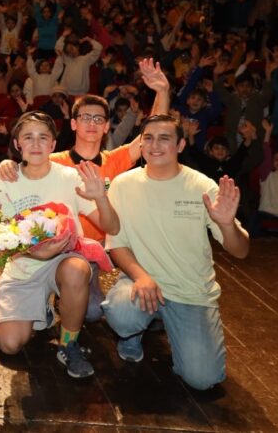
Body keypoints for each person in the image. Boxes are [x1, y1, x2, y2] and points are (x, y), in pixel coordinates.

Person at [101, 114, 249, 391]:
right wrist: (141, 276)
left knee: (203, 380)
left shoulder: (202, 187)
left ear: (181, 145)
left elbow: (240, 251)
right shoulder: (123, 184)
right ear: (141, 144)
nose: (155, 145)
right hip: (142, 282)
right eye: (148, 138)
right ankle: (133, 333)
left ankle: (172, 326)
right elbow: (116, 244)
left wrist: (227, 224)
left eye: (164, 138)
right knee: (122, 315)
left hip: (190, 291)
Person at [0, 112, 118, 379]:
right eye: (28, 137)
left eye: (43, 137)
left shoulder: (69, 177)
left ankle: (68, 344)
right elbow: (4, 241)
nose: (36, 144)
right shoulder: (3, 180)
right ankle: (43, 310)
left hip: (64, 260)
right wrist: (38, 252)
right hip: (24, 266)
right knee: (9, 345)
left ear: (53, 144)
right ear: (17, 144)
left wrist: (101, 198)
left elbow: (112, 227)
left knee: (76, 270)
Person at [0, 58, 171, 241]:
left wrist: (162, 92)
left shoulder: (114, 160)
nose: (92, 123)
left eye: (98, 119)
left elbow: (152, 133)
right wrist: (8, 164)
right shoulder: (53, 161)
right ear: (73, 123)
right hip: (60, 247)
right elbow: (24, 168)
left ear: (106, 126)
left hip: (106, 244)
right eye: (85, 117)